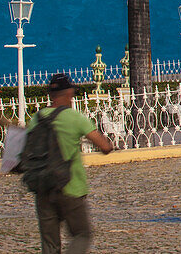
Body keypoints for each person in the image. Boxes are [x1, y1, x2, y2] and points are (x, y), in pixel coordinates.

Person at [25, 73, 114, 254]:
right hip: (70, 188)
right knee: (82, 234)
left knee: (49, 246)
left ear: (51, 95)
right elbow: (105, 146)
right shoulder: (74, 117)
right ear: (69, 93)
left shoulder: (36, 118)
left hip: (43, 188)